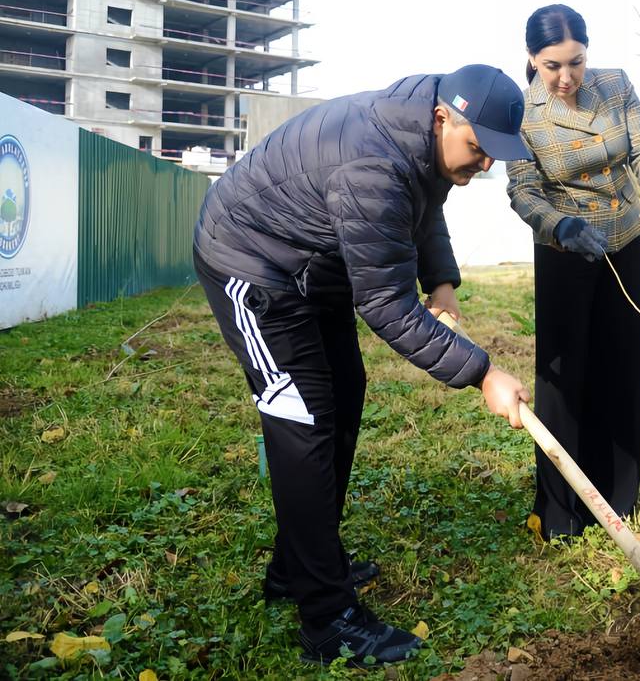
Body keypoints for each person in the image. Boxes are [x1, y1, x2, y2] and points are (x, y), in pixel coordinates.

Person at [193, 65, 533, 666]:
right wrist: (483, 374)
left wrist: (444, 282)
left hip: (312, 264)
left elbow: (424, 204)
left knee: (344, 393)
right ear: (442, 118)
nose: (485, 166)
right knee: (303, 423)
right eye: (479, 150)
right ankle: (326, 618)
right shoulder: (372, 163)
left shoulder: (418, 138)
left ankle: (297, 565)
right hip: (253, 264)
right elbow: (387, 307)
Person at [506, 4, 640, 541]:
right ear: (532, 59)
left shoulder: (615, 85)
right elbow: (522, 190)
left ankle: (617, 497)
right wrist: (559, 226)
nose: (567, 77)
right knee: (563, 380)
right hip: (564, 251)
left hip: (624, 240)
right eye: (552, 65)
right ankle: (558, 512)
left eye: (576, 62)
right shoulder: (520, 112)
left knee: (620, 368)